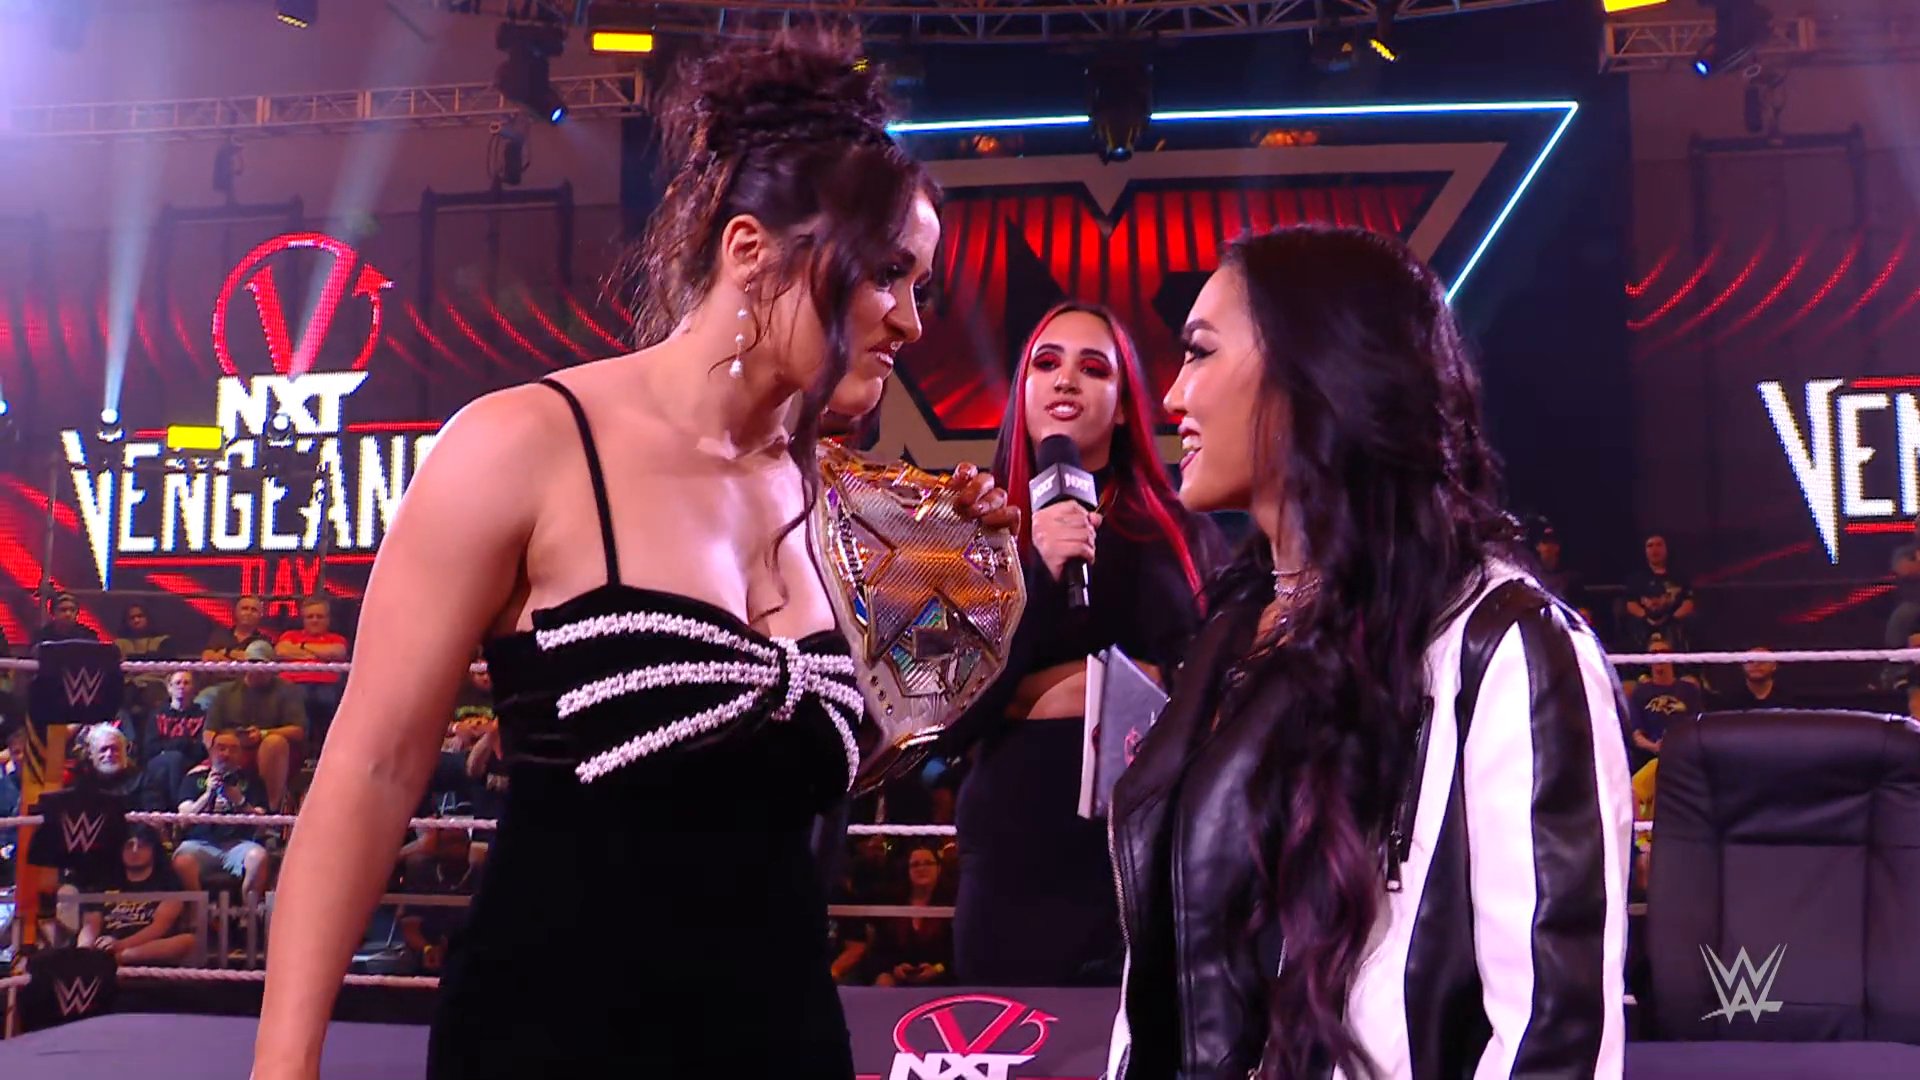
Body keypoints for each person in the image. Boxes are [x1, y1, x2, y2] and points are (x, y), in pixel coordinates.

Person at [255, 32, 1014, 1080]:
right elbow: (373, 767)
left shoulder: (850, 512)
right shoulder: (524, 444)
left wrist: (957, 584)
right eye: (888, 273)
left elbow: (843, 761)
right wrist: (284, 1063)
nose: (912, 321)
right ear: (751, 251)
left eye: (920, 283)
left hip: (784, 1044)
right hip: (551, 1043)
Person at [1104, 225, 1633, 1080]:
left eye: (1199, 352)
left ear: (1312, 371)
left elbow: (1553, 1040)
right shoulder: (1228, 639)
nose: (1171, 395)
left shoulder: (1503, 648)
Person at [944, 302, 1217, 987]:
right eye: (1047, 363)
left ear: (1123, 407)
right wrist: (1037, 574)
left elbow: (1206, 680)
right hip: (1012, 864)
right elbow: (953, 718)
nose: (1066, 380)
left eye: (1093, 368)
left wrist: (1032, 693)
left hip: (1143, 856)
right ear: (1024, 390)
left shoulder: (1180, 533)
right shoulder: (972, 531)